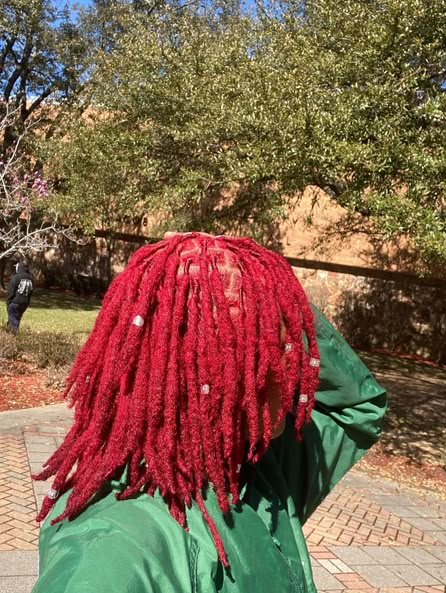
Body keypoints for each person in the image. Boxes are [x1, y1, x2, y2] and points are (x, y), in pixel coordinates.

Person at [31, 233, 386, 593]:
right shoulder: (117, 554)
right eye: (271, 351)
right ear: (208, 372)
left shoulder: (258, 473)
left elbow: (356, 409)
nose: (294, 371)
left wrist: (267, 288)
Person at [5, 262, 33, 333]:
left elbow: (11, 291)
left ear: (19, 268)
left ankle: (14, 337)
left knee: (13, 321)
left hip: (15, 302)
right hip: (24, 303)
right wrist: (27, 303)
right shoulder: (31, 278)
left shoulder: (16, 277)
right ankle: (9, 333)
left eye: (16, 267)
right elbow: (30, 292)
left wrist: (8, 302)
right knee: (16, 319)